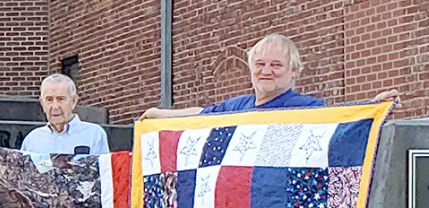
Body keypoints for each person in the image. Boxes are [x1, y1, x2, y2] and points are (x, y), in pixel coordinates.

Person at [141, 34, 399, 119]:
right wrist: (157, 115)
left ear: (293, 72)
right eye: (260, 64)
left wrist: (374, 107)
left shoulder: (307, 109)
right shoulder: (237, 107)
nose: (266, 71)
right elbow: (201, 116)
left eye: (276, 65)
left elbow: (343, 118)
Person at [0, 74, 109, 155]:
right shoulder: (32, 140)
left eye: (61, 99)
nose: (55, 106)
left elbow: (106, 179)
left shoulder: (95, 135)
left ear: (74, 101)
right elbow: (16, 176)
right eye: (49, 100)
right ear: (42, 103)